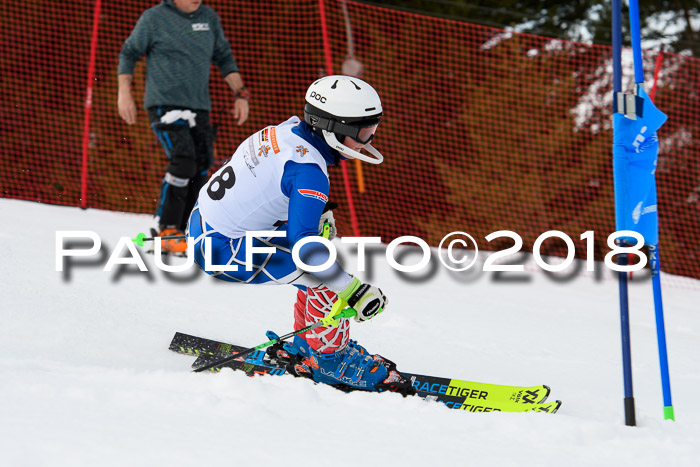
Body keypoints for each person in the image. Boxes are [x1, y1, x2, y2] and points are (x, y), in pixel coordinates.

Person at [187, 75, 410, 393]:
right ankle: (333, 362)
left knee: (320, 254)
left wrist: (315, 217)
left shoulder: (288, 129)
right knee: (326, 272)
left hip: (204, 222)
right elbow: (305, 248)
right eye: (363, 132)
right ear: (333, 129)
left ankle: (308, 343)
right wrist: (354, 291)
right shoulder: (309, 171)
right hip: (221, 250)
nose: (369, 140)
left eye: (373, 129)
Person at [117, 0, 250, 254]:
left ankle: (190, 230)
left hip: (199, 106)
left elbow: (223, 56)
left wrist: (240, 94)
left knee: (202, 164)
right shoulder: (154, 18)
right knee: (184, 160)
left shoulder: (208, 17)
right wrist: (124, 92)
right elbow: (129, 52)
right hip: (163, 104)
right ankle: (167, 229)